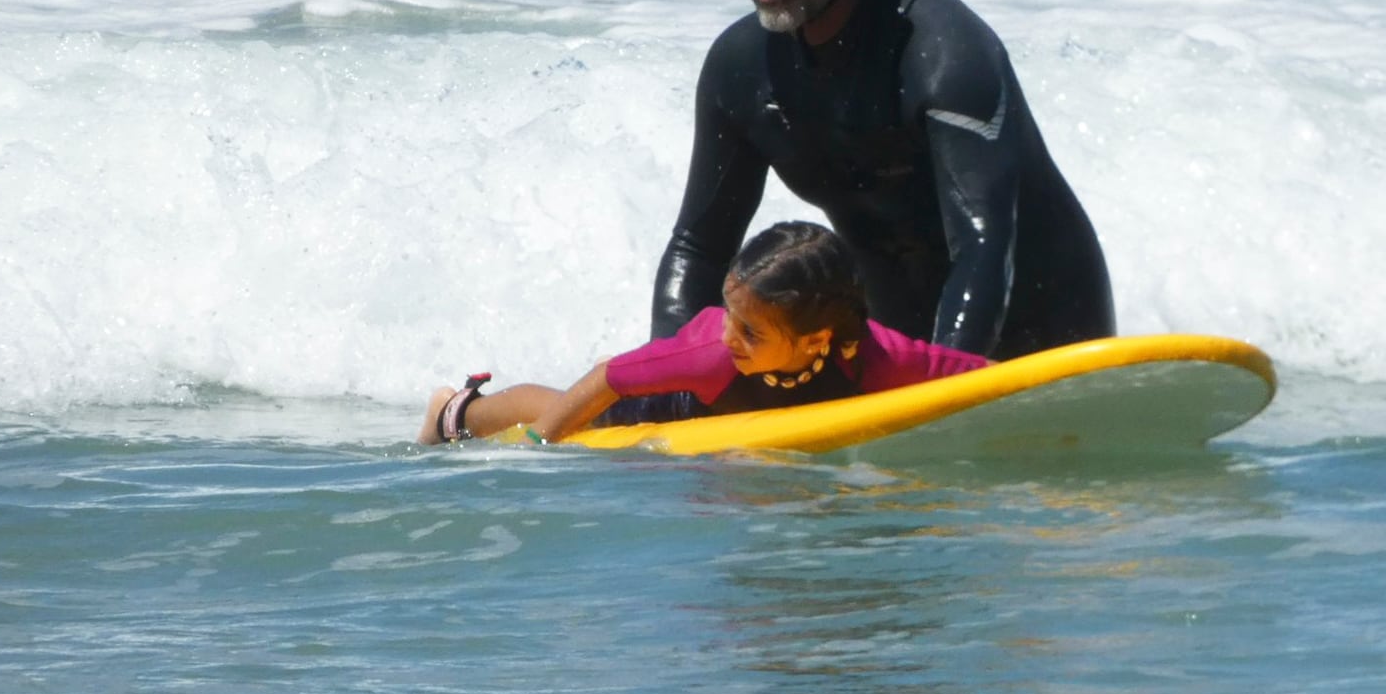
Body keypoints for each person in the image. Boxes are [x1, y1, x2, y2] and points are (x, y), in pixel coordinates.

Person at [654, 0, 1117, 361]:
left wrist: (946, 382)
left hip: (1044, 326)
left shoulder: (941, 49)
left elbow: (982, 247)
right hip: (890, 338)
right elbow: (700, 248)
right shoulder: (742, 68)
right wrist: (667, 375)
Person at [418, 221, 989, 444]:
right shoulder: (714, 353)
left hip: (744, 409)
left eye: (752, 331)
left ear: (817, 339)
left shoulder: (874, 355)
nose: (733, 336)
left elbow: (980, 378)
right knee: (565, 410)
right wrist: (539, 449)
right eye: (731, 315)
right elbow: (607, 377)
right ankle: (454, 409)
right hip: (678, 400)